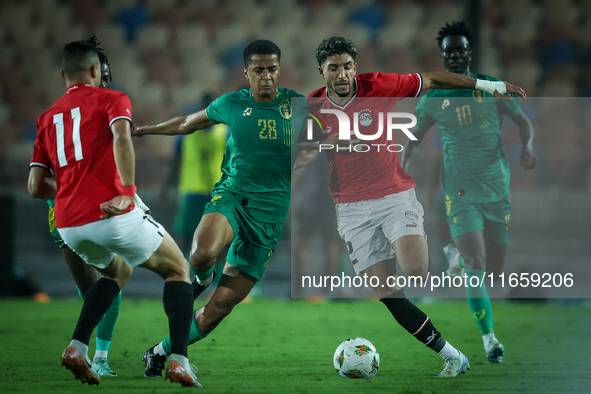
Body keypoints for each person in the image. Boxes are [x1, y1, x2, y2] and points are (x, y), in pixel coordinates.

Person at [304, 36, 526, 377]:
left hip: (394, 196)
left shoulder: (378, 85)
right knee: (390, 294)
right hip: (350, 209)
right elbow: (303, 152)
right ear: (322, 71)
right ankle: (454, 356)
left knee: (417, 274)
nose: (343, 73)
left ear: (355, 66)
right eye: (334, 68)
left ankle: (449, 253)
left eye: (348, 65)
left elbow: (435, 79)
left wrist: (487, 84)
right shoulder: (314, 107)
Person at [134, 39, 316, 381]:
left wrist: (314, 150)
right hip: (232, 196)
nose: (266, 77)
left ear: (280, 70)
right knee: (201, 253)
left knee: (218, 309)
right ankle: (202, 275)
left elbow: (326, 134)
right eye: (259, 70)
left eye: (272, 70)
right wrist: (147, 130)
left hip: (270, 214)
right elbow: (188, 123)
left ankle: (160, 351)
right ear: (246, 72)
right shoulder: (231, 104)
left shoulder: (297, 104)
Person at [28, 40, 200, 387]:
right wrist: (126, 192)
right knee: (178, 269)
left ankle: (78, 347)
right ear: (96, 70)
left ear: (63, 74)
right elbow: (122, 137)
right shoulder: (112, 99)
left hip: (69, 224)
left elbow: (35, 185)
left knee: (116, 273)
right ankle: (180, 360)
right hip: (111, 214)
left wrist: (70, 195)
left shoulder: (46, 119)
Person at [401, 21, 537, 364]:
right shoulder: (433, 98)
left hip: (496, 189)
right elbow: (414, 140)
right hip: (459, 191)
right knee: (477, 264)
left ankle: (458, 257)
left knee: (493, 269)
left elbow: (523, 122)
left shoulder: (490, 88)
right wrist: (401, 170)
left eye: (460, 49)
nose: (455, 55)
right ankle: (490, 340)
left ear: (469, 52)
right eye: (449, 51)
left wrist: (527, 148)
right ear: (443, 55)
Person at [42, 36, 151, 378]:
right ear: (90, 72)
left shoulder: (62, 114)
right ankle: (90, 353)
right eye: (99, 74)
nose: (102, 81)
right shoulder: (90, 112)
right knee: (100, 285)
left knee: (107, 282)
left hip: (73, 212)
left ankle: (94, 355)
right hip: (78, 209)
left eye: (106, 76)